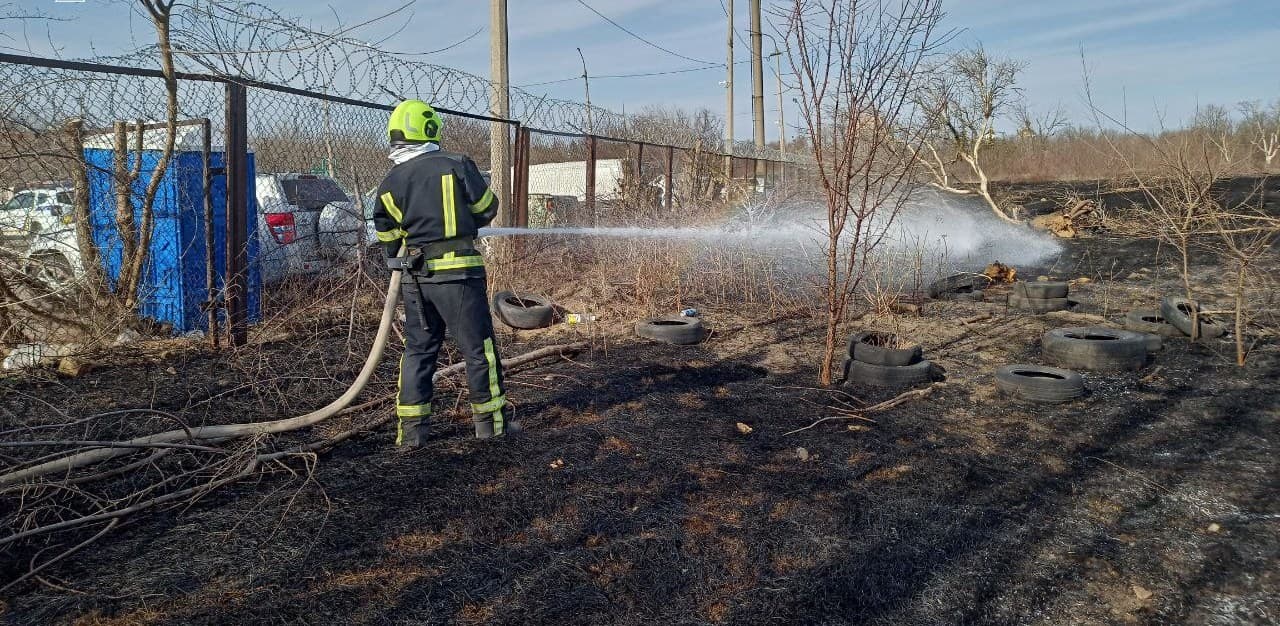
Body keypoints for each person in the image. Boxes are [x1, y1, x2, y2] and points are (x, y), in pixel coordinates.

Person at [371, 99, 517, 445]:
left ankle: (412, 434)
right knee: (478, 349)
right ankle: (490, 426)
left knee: (418, 351)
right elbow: (487, 208)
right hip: (460, 276)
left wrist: (402, 249)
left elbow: (387, 237)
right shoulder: (456, 164)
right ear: (431, 129)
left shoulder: (390, 182)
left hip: (415, 279)